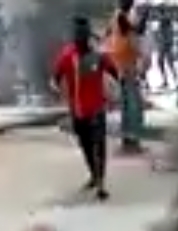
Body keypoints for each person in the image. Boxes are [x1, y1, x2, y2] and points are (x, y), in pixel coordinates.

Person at [50, 14, 112, 199]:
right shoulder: (67, 55)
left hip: (97, 109)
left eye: (84, 37)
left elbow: (113, 70)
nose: (82, 40)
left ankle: (101, 184)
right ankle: (95, 175)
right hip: (78, 112)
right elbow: (55, 78)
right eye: (79, 37)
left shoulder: (98, 55)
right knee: (86, 146)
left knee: (99, 145)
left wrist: (117, 86)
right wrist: (57, 90)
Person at [107, 0, 146, 153]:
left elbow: (135, 32)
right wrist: (143, 17)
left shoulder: (120, 17)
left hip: (124, 64)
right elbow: (136, 30)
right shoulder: (121, 17)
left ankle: (128, 140)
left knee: (128, 103)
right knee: (133, 104)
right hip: (125, 65)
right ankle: (131, 140)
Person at [152, 11, 178, 90]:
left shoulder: (165, 21)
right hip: (164, 45)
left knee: (169, 64)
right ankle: (168, 81)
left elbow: (167, 35)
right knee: (163, 63)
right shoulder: (163, 22)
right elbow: (160, 35)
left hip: (165, 45)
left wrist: (163, 42)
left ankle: (173, 81)